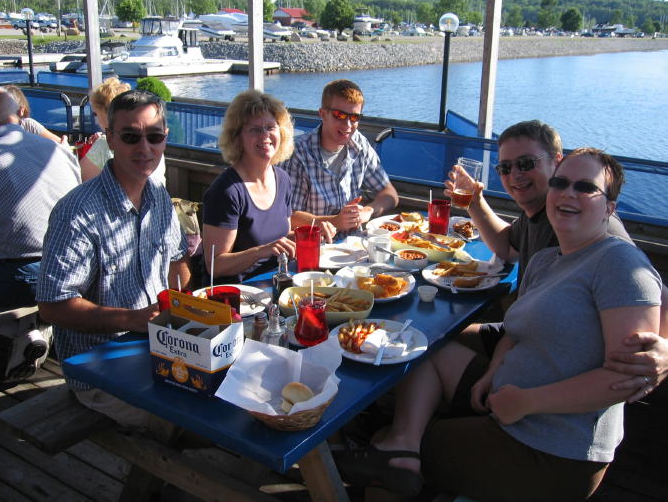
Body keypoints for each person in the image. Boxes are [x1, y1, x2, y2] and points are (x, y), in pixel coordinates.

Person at [339, 148, 662, 501]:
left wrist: (527, 402)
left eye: (586, 187)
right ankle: (402, 445)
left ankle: (392, 455)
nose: (569, 193)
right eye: (561, 183)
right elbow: (516, 328)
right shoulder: (546, 259)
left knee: (386, 457)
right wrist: (494, 367)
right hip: (507, 395)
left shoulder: (617, 261)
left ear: (610, 208)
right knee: (424, 347)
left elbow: (624, 379)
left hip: (551, 448)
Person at [446, 120, 668, 401]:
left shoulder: (589, 226)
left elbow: (650, 289)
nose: (515, 174)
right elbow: (506, 246)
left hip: (553, 370)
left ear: (557, 163)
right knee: (442, 336)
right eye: (505, 167)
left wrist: (667, 351)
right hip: (526, 336)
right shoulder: (541, 214)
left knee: (434, 343)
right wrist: (474, 202)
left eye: (526, 163)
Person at [37, 90, 189, 427]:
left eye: (155, 136)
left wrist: (183, 309)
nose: (145, 147)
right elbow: (52, 306)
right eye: (132, 136)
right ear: (111, 139)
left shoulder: (159, 197)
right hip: (99, 368)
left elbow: (178, 263)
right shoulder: (77, 212)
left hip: (159, 346)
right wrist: (132, 319)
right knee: (191, 421)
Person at [0, 87, 80, 381]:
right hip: (72, 270)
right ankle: (26, 331)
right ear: (19, 116)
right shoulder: (59, 151)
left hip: (18, 278)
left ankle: (18, 332)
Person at [202, 90, 333, 285]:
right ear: (237, 138)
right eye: (254, 129)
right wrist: (261, 251)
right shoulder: (227, 191)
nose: (265, 135)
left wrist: (310, 231)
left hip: (277, 284)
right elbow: (215, 265)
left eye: (270, 127)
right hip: (239, 297)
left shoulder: (282, 179)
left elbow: (281, 236)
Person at [281, 79, 399, 234]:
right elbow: (287, 216)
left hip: (354, 245)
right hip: (315, 246)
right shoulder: (298, 154)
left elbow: (390, 194)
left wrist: (368, 211)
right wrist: (334, 222)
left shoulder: (359, 144)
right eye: (339, 115)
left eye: (355, 117)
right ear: (323, 114)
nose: (348, 125)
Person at [78, 76, 167, 185]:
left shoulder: (104, 144)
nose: (96, 120)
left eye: (96, 114)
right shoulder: (154, 145)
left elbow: (80, 178)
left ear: (106, 114)